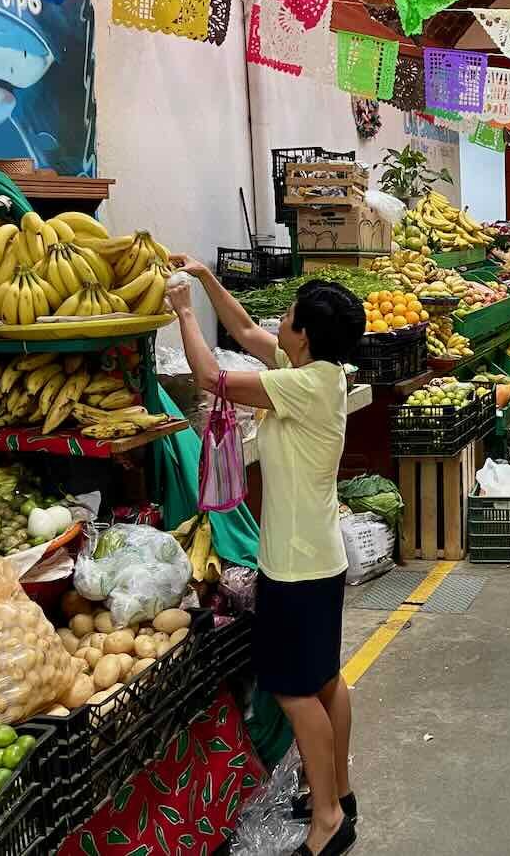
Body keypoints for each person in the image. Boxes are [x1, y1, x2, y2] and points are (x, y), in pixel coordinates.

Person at [167, 259, 365, 856]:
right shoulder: (319, 371)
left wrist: (180, 311)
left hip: (296, 568)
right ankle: (340, 791)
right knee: (325, 680)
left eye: (289, 316)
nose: (279, 322)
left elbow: (209, 377)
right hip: (320, 559)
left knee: (292, 689)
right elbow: (249, 331)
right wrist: (205, 280)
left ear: (303, 335)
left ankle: (327, 818)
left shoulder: (301, 386)